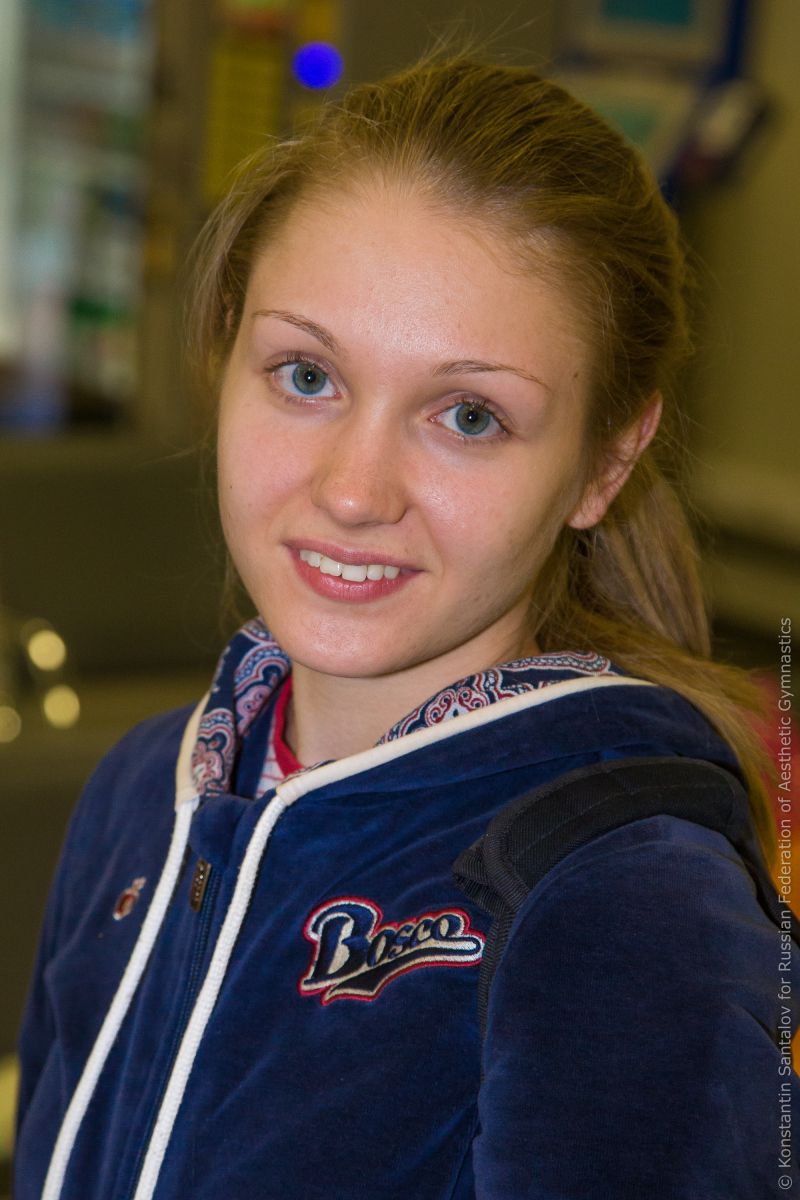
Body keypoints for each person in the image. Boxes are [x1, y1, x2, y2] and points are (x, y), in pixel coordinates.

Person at [15, 53, 797, 1200]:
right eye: (306, 375)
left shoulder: (622, 902)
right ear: (226, 357)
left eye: (467, 415)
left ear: (603, 462)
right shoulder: (146, 792)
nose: (352, 490)